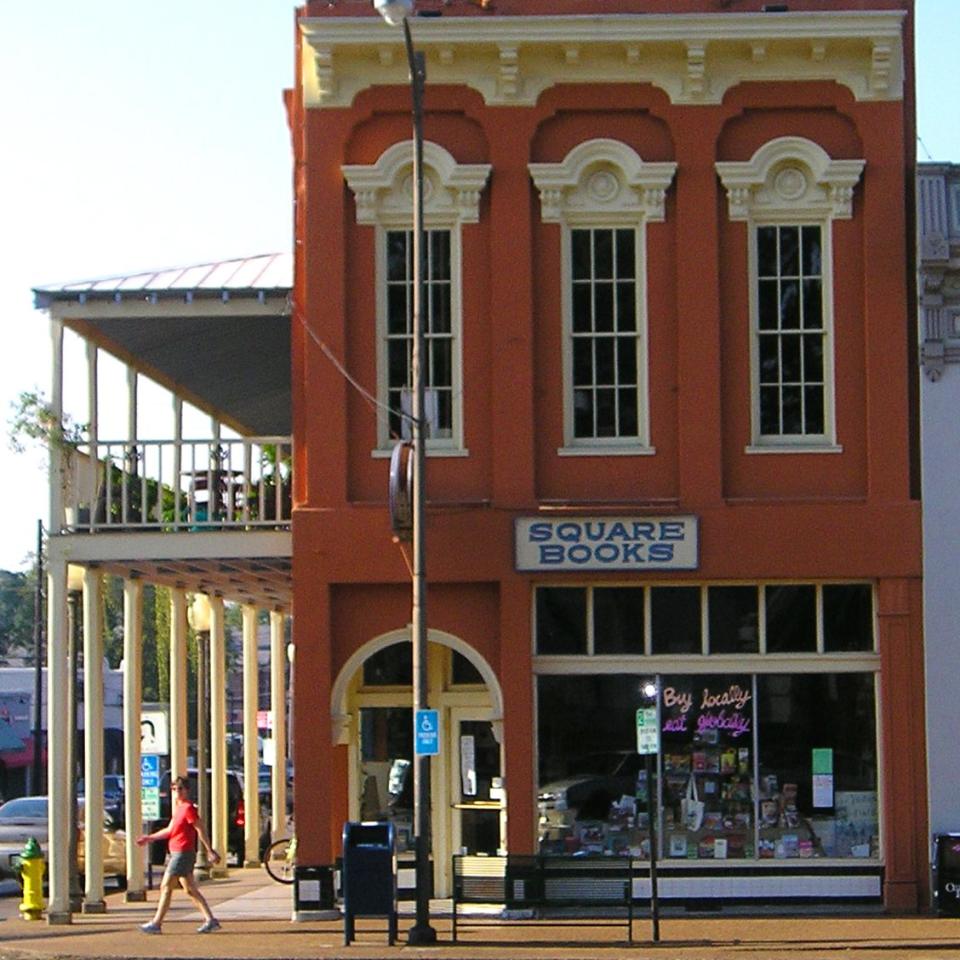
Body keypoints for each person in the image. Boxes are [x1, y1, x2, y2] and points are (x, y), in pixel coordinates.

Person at [136, 775, 221, 934]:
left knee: (166, 886)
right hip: (176, 851)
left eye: (180, 789)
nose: (177, 792)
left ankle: (156, 923)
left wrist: (209, 849)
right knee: (189, 889)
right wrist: (150, 838)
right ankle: (210, 919)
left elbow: (200, 829)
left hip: (183, 852)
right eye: (174, 789)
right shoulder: (178, 809)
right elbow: (170, 830)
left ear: (187, 790)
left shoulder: (188, 808)